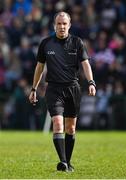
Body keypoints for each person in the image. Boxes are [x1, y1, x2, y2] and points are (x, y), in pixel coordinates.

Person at [29, 11, 96, 172]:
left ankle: (68, 162)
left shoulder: (77, 42)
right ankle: (63, 162)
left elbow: (86, 64)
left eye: (64, 23)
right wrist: (34, 88)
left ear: (69, 25)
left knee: (71, 128)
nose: (62, 26)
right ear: (54, 25)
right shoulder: (46, 43)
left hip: (73, 88)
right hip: (53, 89)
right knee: (58, 124)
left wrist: (91, 82)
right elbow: (39, 67)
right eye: (59, 24)